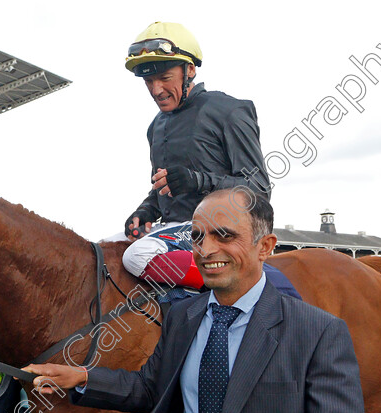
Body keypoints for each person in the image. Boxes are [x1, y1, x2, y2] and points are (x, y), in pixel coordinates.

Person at [26, 189, 366, 413]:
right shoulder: (182, 317)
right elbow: (149, 387)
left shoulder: (320, 333)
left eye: (225, 235)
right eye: (198, 237)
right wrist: (82, 376)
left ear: (266, 246)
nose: (205, 249)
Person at [110, 22, 269, 294]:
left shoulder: (228, 110)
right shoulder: (155, 126)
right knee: (102, 250)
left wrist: (198, 181)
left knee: (136, 256)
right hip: (174, 228)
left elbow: (260, 189)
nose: (156, 90)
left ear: (190, 70)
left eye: (165, 78)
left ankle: (233, 288)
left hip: (218, 227)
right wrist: (147, 210)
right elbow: (164, 185)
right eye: (149, 81)